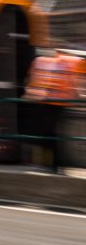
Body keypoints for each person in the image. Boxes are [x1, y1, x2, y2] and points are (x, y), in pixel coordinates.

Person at [23, 46, 86, 174]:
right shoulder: (41, 61)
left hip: (57, 103)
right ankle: (51, 164)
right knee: (46, 133)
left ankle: (55, 165)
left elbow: (77, 81)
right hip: (44, 101)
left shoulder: (70, 61)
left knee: (51, 133)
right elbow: (32, 79)